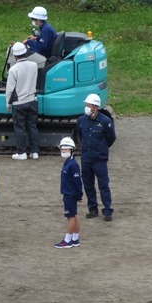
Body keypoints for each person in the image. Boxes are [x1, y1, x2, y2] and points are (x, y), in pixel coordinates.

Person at [77, 93, 116, 221]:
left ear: (95, 107)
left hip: (99, 159)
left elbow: (111, 138)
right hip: (86, 159)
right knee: (88, 185)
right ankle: (92, 208)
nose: (86, 107)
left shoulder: (106, 122)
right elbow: (80, 136)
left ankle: (107, 210)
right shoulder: (81, 120)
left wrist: (101, 149)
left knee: (103, 185)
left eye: (88, 105)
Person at [6, 41, 40, 160]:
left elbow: (10, 89)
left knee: (20, 128)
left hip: (19, 103)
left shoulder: (13, 70)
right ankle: (35, 152)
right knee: (32, 126)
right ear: (25, 52)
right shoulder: (34, 65)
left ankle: (21, 153)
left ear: (15, 55)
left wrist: (8, 103)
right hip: (32, 101)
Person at [54, 137, 83, 248]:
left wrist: (79, 195)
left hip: (70, 194)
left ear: (72, 150)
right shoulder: (68, 163)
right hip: (70, 193)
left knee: (70, 217)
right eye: (62, 149)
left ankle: (67, 241)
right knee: (74, 215)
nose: (64, 151)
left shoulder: (73, 165)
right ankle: (75, 239)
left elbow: (78, 182)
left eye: (66, 149)